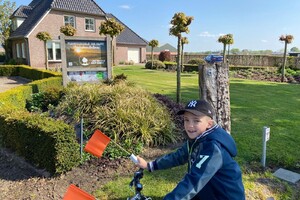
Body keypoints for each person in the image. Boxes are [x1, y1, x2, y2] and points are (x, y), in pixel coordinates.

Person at [136, 100, 245, 200]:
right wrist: (150, 165)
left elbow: (194, 180)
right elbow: (177, 157)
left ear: (209, 124)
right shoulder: (196, 139)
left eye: (196, 121)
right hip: (207, 192)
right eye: (186, 120)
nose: (190, 125)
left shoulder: (213, 148)